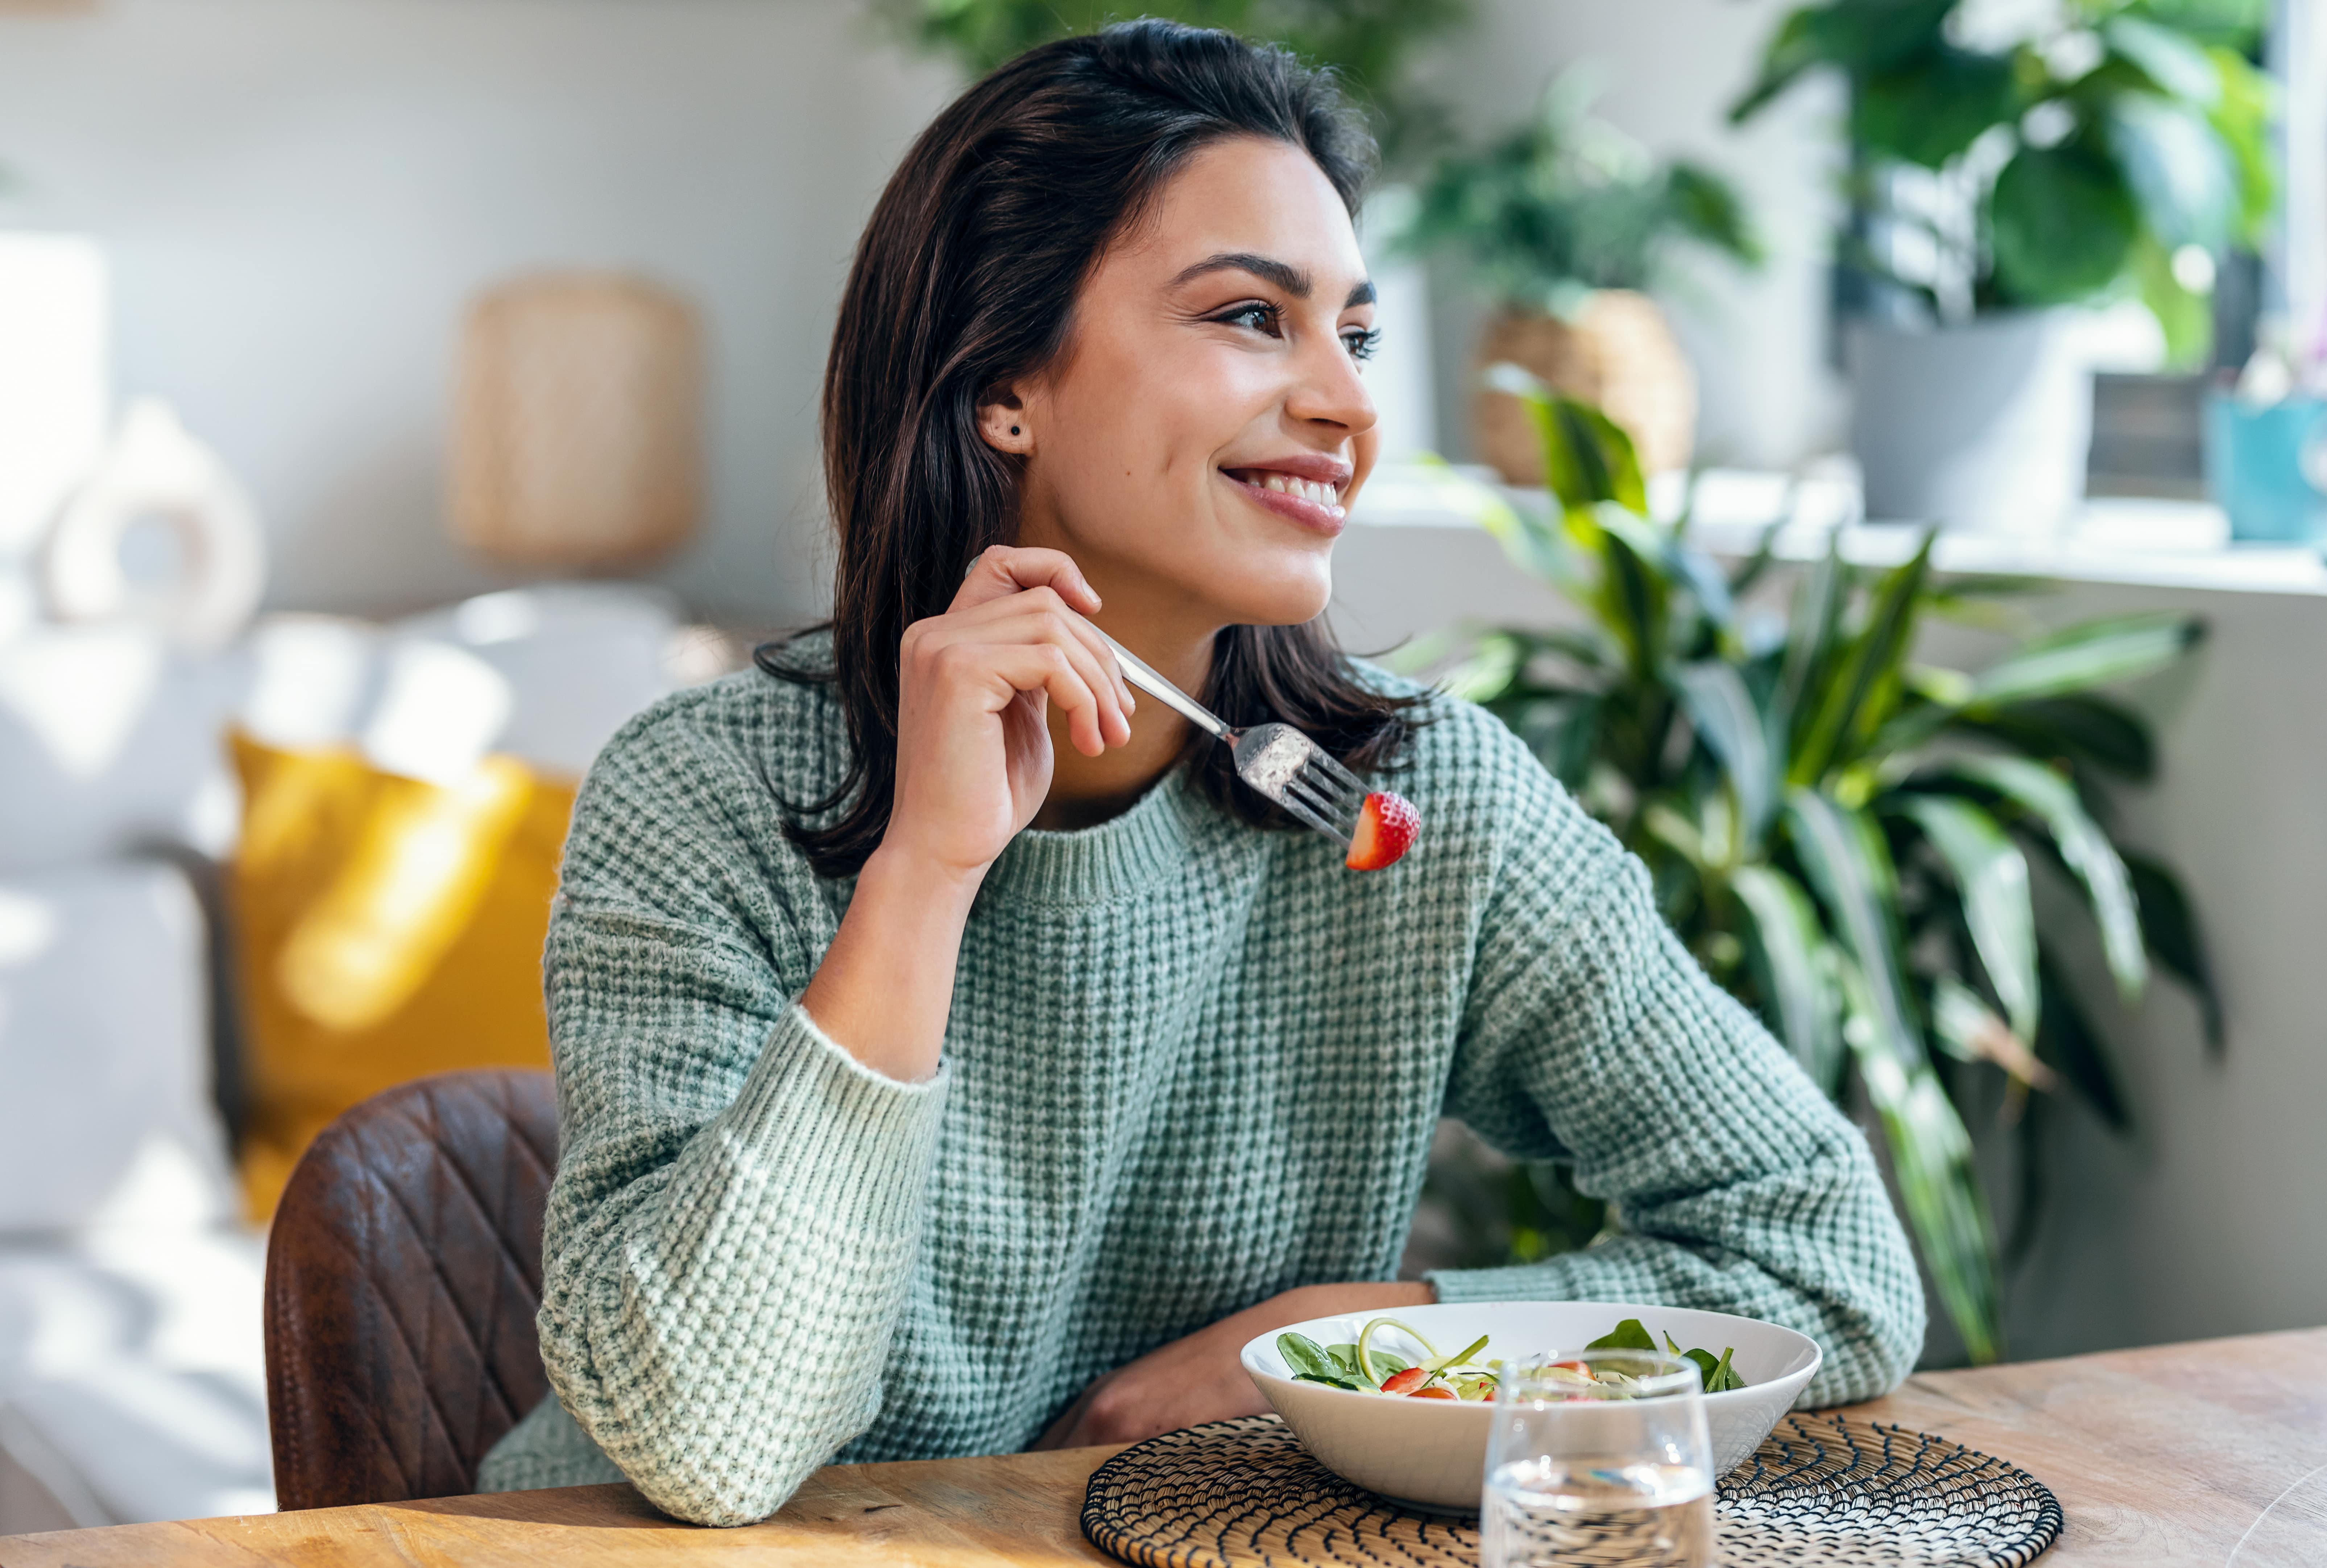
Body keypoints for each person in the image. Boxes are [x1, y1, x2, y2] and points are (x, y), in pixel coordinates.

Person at [475, 20, 1923, 1527]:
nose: (1349, 407)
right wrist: (923, 869)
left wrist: (1327, 1346)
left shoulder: (1416, 808)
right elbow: (708, 1442)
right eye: (1251, 318)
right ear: (1004, 382)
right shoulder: (698, 795)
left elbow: (1824, 1263)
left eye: (1352, 336)